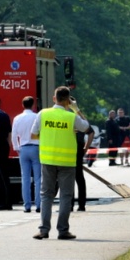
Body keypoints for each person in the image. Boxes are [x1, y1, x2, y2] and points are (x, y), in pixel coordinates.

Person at [30, 86, 91, 240]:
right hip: (67, 162)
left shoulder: (43, 114)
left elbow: (33, 134)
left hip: (48, 160)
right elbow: (87, 128)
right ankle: (63, 230)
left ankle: (43, 230)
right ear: (68, 100)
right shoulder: (71, 116)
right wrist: (76, 109)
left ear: (54, 98)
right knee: (65, 196)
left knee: (46, 195)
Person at [12, 96, 41, 213]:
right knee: (38, 178)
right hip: (36, 148)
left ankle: (27, 206)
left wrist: (17, 148)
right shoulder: (37, 117)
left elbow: (14, 135)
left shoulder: (17, 118)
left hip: (23, 148)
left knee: (25, 178)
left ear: (22, 105)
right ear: (33, 105)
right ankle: (38, 205)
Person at [74, 122, 95, 211]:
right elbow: (91, 132)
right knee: (79, 178)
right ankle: (81, 205)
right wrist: (85, 148)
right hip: (79, 150)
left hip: (70, 150)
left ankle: (69, 205)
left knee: (68, 178)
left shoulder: (69, 120)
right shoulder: (81, 123)